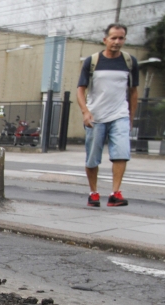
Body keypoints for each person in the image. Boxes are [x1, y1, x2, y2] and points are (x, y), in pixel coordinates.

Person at [77, 23, 138, 207]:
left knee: (121, 153)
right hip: (96, 117)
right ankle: (94, 192)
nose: (117, 42)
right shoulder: (93, 61)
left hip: (119, 114)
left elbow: (133, 92)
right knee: (92, 158)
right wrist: (85, 112)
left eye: (121, 38)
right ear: (105, 40)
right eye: (113, 38)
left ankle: (115, 194)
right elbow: (81, 90)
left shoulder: (129, 61)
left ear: (124, 40)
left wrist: (130, 117)